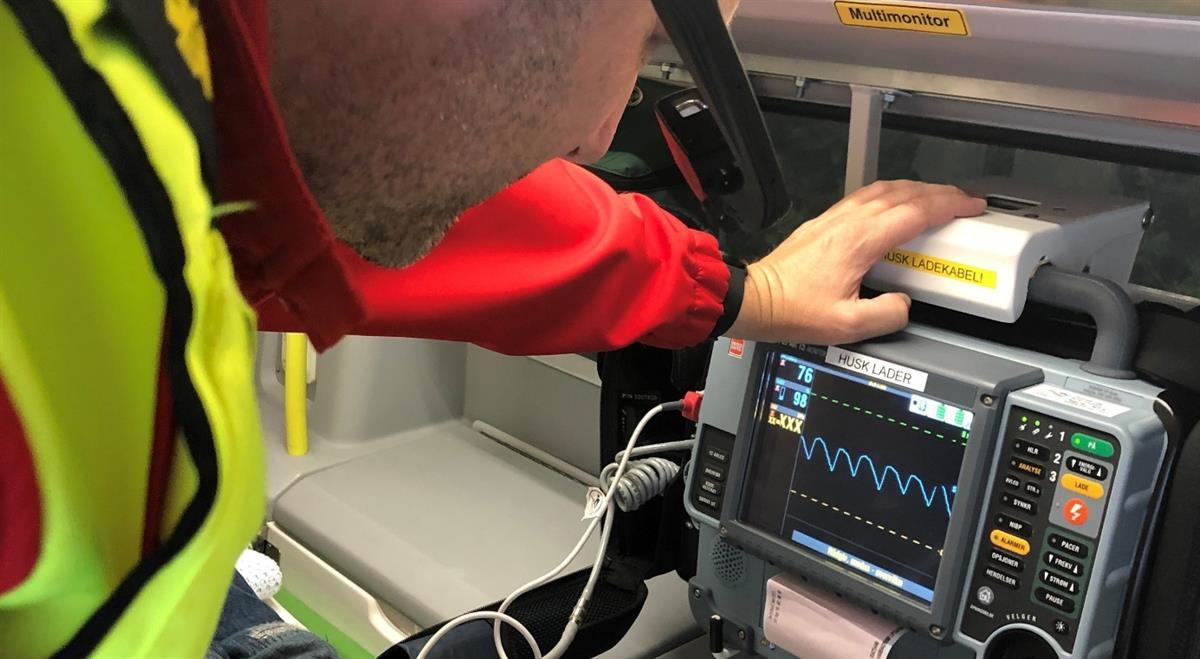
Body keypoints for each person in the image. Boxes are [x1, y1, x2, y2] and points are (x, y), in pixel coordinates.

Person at [0, 1, 984, 657]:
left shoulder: (156, 105)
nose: (600, 137)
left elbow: (430, 202)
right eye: (642, 43)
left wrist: (743, 291)